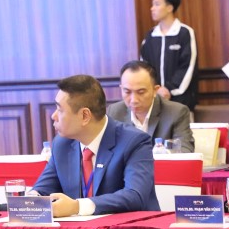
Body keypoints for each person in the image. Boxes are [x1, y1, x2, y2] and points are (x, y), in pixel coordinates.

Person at [31, 75, 160, 217]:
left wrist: (77, 206)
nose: (53, 116)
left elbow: (135, 196)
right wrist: (31, 199)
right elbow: (43, 189)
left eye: (60, 110)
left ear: (85, 116)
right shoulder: (62, 144)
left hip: (130, 228)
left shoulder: (134, 141)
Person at [107, 60, 195, 152]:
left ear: (155, 90)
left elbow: (184, 150)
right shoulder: (114, 112)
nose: (134, 100)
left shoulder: (176, 112)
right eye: (127, 92)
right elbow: (106, 149)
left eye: (141, 92)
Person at [140, 0, 199, 111]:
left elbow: (188, 65)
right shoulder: (150, 36)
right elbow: (144, 66)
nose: (152, 8)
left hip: (181, 100)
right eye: (152, 5)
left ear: (170, 8)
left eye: (157, 4)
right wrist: (155, 89)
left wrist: (168, 88)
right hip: (155, 99)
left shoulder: (184, 33)